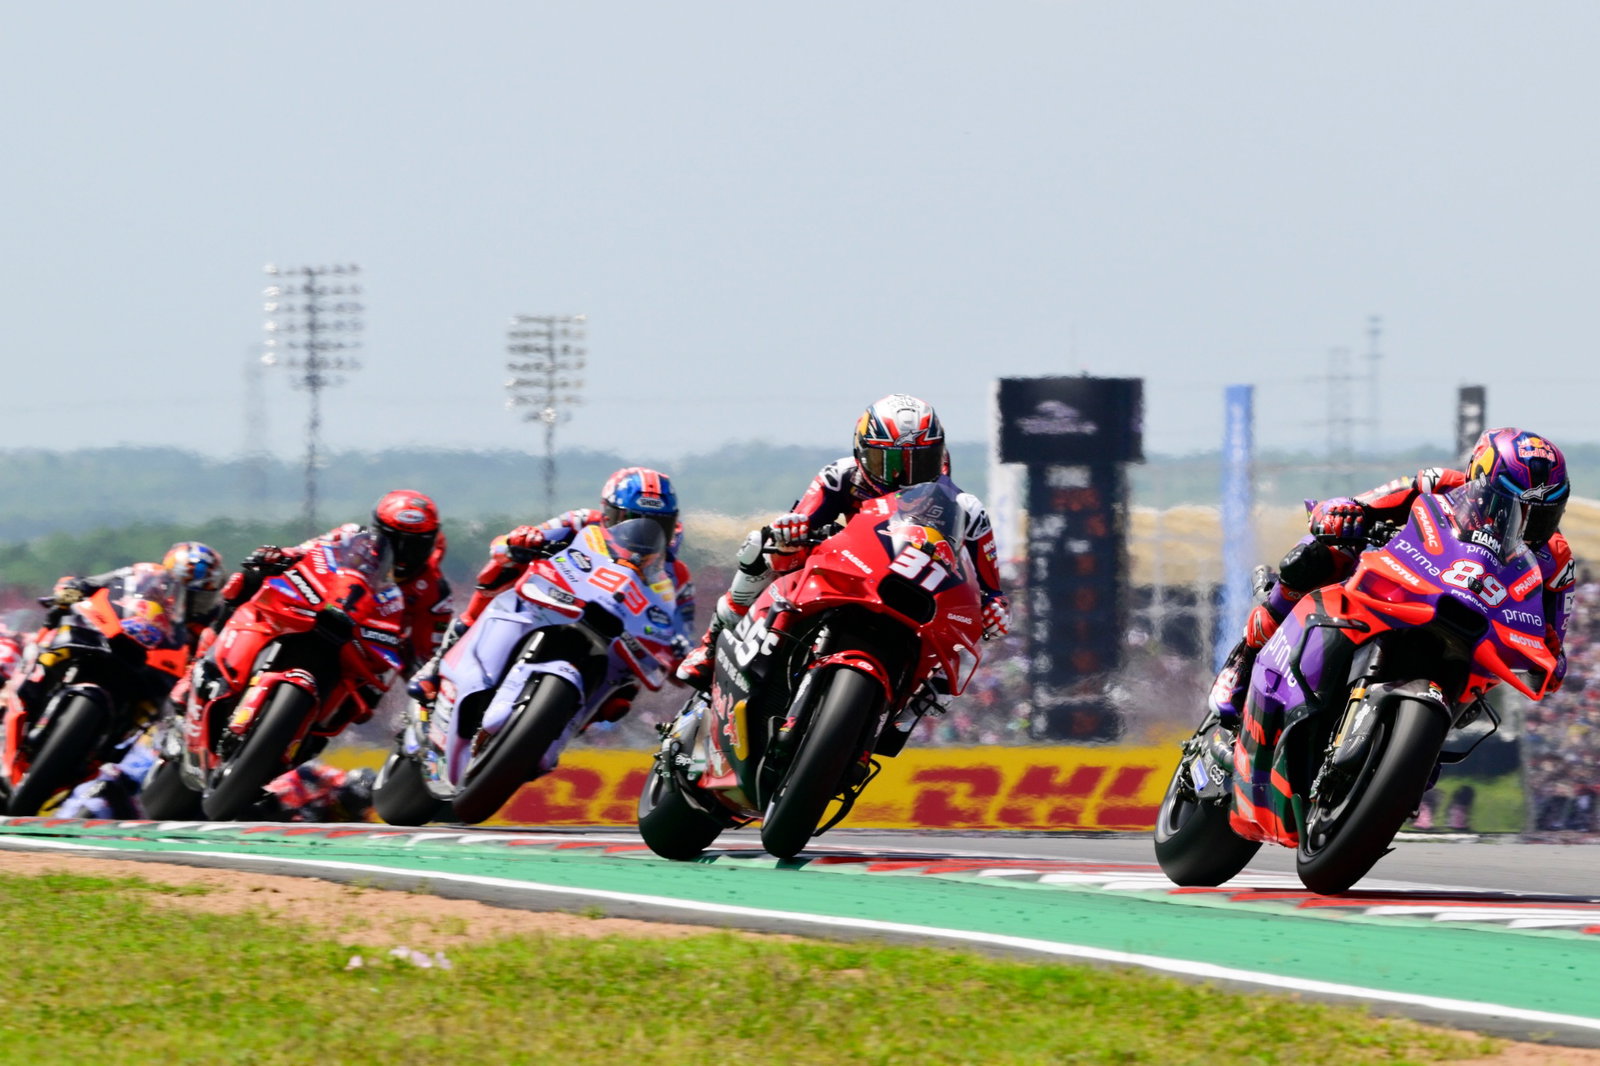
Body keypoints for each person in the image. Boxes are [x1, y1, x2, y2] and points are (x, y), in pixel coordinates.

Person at [1209, 427, 1574, 723]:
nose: (1526, 524)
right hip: (1404, 585)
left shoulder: (1556, 560)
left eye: (1543, 514)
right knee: (1315, 555)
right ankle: (1245, 658)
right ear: (1480, 481)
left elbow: (1553, 648)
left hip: (1475, 637)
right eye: (1513, 507)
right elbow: (1358, 505)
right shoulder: (1438, 484)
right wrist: (1342, 514)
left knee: (1474, 704)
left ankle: (1415, 759)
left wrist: (1550, 656)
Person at [676, 393, 1010, 692]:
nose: (903, 478)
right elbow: (802, 520)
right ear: (862, 453)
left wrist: (994, 608)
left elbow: (991, 589)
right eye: (889, 464)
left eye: (919, 464)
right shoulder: (840, 476)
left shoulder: (966, 507)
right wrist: (790, 531)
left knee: (961, 647)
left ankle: (905, 715)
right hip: (850, 563)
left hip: (916, 590)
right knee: (760, 545)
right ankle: (711, 645)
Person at [408, 467, 695, 727]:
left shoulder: (676, 573)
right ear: (608, 514)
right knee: (502, 569)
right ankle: (440, 661)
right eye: (632, 520)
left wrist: (680, 650)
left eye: (658, 525)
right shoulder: (582, 521)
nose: (644, 533)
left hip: (619, 635)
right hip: (561, 600)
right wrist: (522, 540)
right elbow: (504, 545)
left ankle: (560, 727)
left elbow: (683, 633)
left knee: (620, 701)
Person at [215, 490, 452, 673]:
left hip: (369, 648)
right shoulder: (351, 536)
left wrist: (418, 676)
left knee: (381, 687)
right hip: (326, 610)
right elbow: (306, 551)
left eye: (414, 546)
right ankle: (208, 653)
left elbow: (425, 656)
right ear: (377, 531)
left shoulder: (436, 592)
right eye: (391, 541)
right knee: (248, 578)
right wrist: (280, 556)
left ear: (430, 543)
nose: (401, 553)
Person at [47, 541, 225, 652]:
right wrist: (75, 588)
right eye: (190, 592)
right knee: (63, 618)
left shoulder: (210, 622)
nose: (197, 601)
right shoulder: (147, 574)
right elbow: (97, 581)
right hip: (116, 636)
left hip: (157, 674)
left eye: (204, 593)